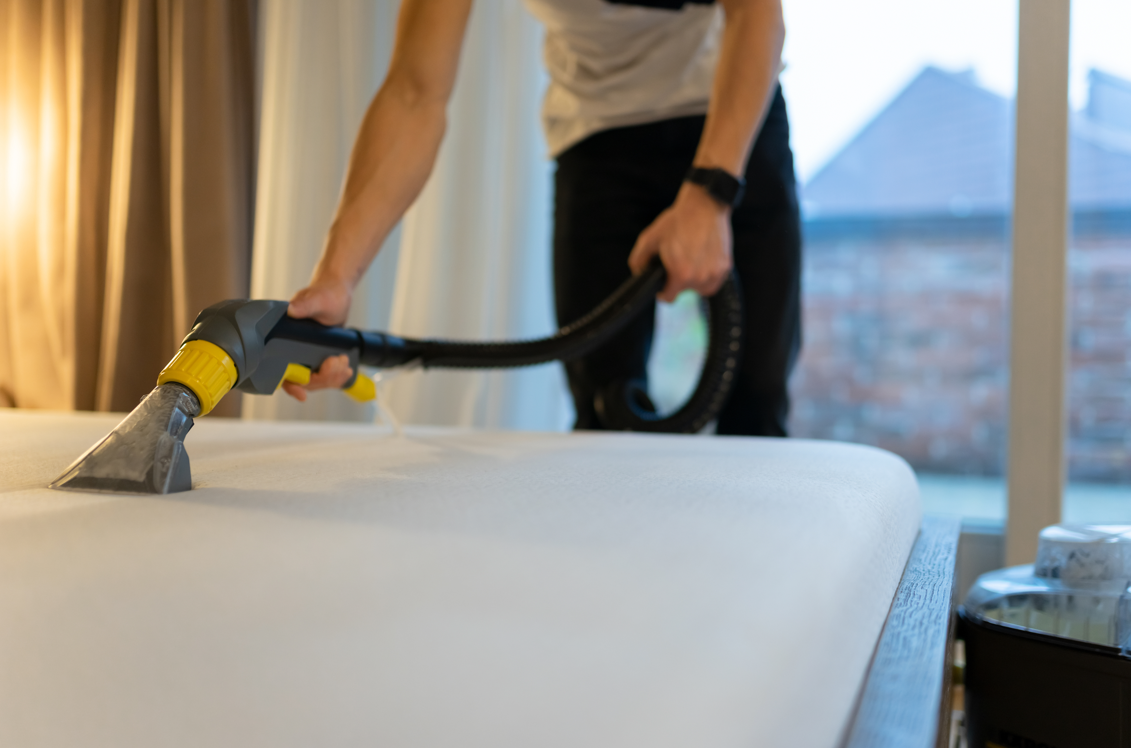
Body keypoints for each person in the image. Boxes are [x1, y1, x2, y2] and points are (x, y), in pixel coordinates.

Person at [284, 0, 801, 436]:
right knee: (604, 408)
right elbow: (414, 93)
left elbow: (756, 14)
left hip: (733, 118)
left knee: (756, 395)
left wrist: (711, 194)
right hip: (599, 136)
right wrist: (335, 279)